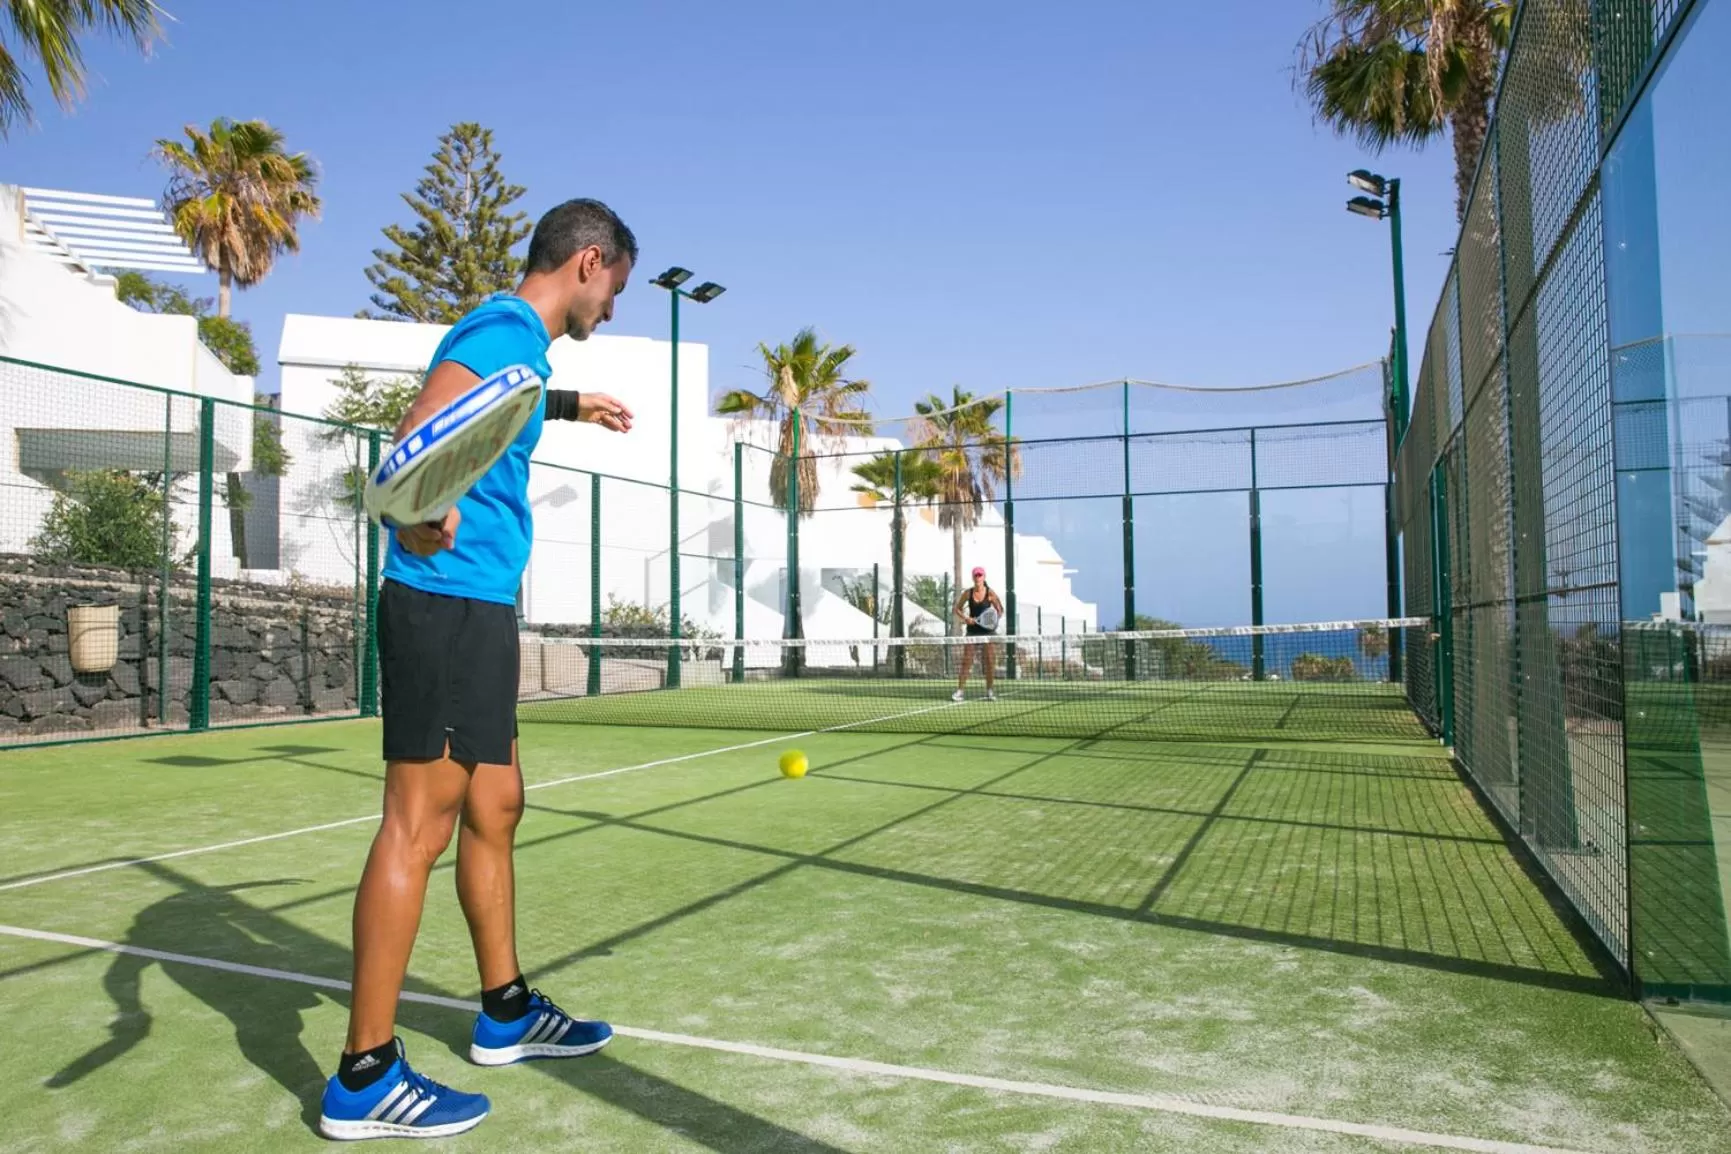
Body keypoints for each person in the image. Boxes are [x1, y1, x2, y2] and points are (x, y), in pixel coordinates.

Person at [317, 198, 639, 1142]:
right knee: (417, 824)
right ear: (587, 263)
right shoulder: (502, 327)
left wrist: (576, 403)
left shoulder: (523, 357)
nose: (611, 310)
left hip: (478, 604)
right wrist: (412, 511)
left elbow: (503, 404)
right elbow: (413, 440)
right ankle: (365, 1073)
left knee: (497, 802)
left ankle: (503, 1011)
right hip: (444, 603)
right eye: (613, 290)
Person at [952, 566, 1004, 702]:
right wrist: (966, 618)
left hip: (988, 633)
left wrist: (993, 620)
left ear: (984, 577)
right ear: (972, 577)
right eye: (976, 575)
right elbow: (957, 609)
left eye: (980, 575)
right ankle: (960, 691)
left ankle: (989, 691)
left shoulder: (990, 593)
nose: (978, 578)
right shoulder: (968, 594)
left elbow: (1000, 610)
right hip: (972, 632)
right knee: (966, 662)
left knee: (989, 662)